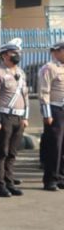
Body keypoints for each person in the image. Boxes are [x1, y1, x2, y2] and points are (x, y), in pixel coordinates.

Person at [0, 43, 28, 197]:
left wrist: (25, 116)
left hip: (19, 117)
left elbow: (25, 96)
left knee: (12, 152)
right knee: (1, 152)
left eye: (17, 52)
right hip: (4, 116)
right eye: (13, 52)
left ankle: (9, 182)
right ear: (4, 55)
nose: (16, 55)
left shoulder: (21, 73)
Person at [37, 41, 64, 190]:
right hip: (55, 110)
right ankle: (50, 179)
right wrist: (47, 114)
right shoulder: (49, 68)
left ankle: (61, 176)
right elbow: (44, 92)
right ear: (56, 52)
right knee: (54, 145)